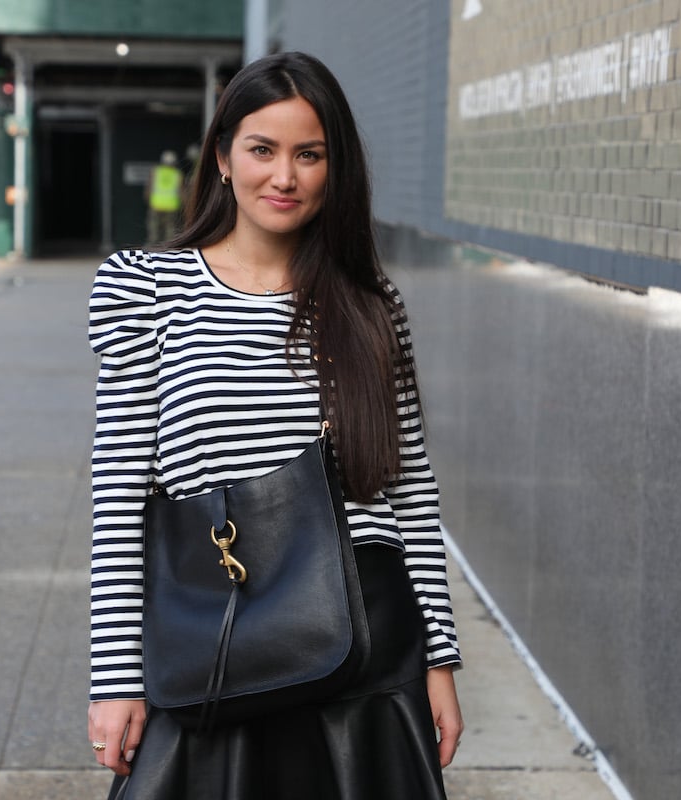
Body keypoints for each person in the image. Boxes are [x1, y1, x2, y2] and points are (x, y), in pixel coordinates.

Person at [88, 51, 463, 800]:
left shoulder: (369, 304)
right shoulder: (148, 290)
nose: (284, 177)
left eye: (309, 155)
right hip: (222, 629)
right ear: (223, 158)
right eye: (262, 150)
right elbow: (120, 490)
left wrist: (440, 660)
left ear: (336, 169)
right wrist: (116, 678)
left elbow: (411, 491)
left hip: (368, 643)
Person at [144, 149, 182, 244]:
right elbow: (181, 192)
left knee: (153, 232)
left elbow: (148, 188)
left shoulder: (155, 172)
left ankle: (151, 253)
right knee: (170, 233)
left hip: (156, 205)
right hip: (171, 207)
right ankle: (168, 253)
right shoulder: (177, 175)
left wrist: (148, 200)